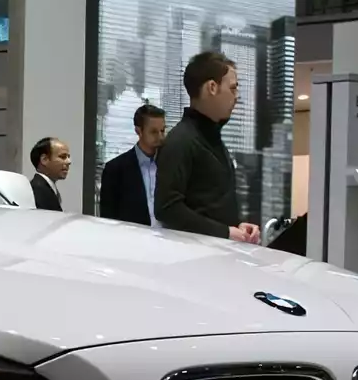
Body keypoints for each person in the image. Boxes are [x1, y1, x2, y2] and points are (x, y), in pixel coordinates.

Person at [156, 52, 259, 242]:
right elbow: (167, 208)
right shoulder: (180, 141)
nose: (237, 96)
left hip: (215, 252)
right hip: (195, 256)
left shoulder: (211, 138)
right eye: (232, 88)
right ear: (212, 87)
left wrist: (237, 228)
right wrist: (225, 232)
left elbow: (211, 206)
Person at [98, 104, 169, 227]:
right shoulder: (115, 169)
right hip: (133, 236)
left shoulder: (170, 163)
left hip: (170, 236)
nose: (160, 137)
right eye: (153, 132)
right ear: (138, 131)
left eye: (162, 131)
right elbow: (108, 219)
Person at [29, 137, 69, 210]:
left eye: (68, 157)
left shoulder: (43, 188)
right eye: (62, 157)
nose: (69, 161)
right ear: (44, 160)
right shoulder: (38, 190)